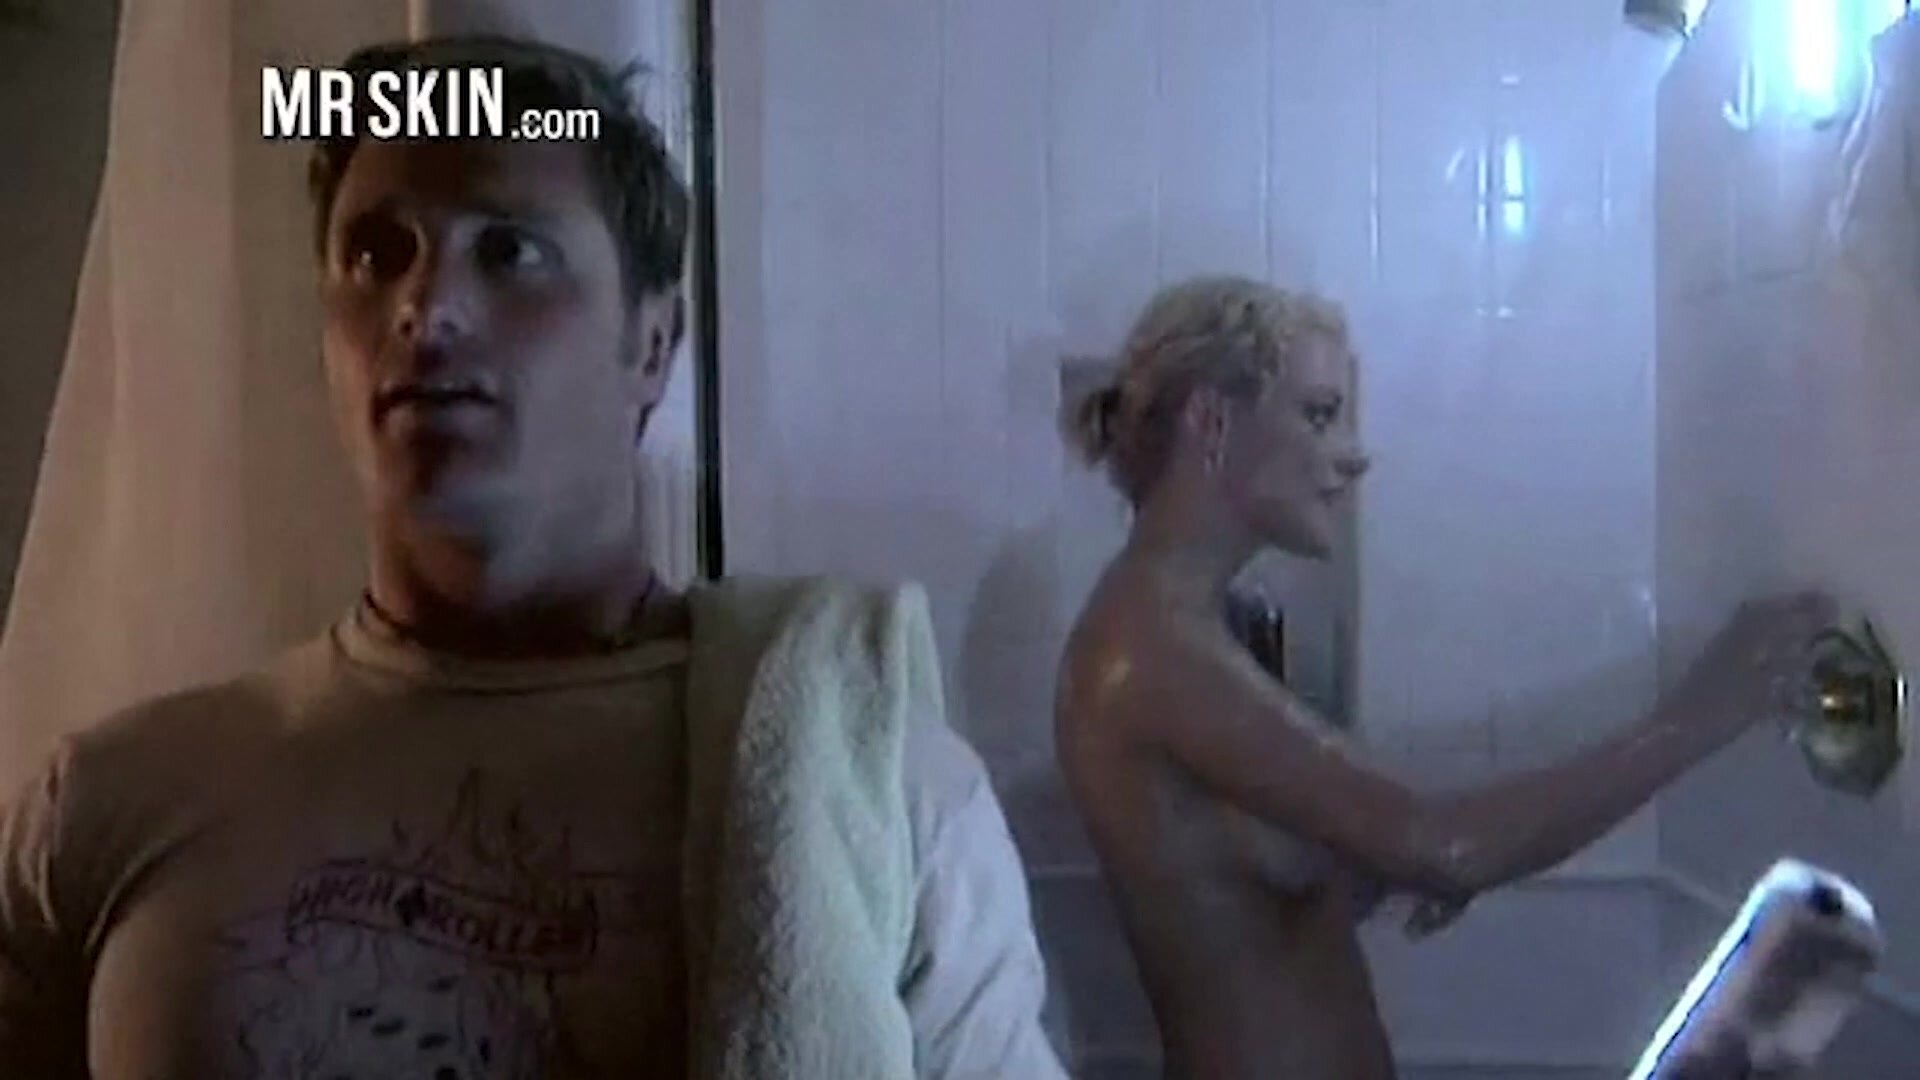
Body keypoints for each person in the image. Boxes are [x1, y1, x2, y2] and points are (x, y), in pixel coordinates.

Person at [0, 36, 1066, 1079]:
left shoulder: (875, 798)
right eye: (376, 254)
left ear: (652, 343)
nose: (425, 309)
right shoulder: (110, 806)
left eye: (510, 251)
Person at [1054, 275, 1838, 1080]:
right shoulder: (1153, 651)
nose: (1354, 454)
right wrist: (1704, 712)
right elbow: (1447, 846)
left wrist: (1391, 859)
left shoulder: (1193, 630)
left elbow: (1247, 891)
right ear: (1212, 422)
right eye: (1320, 414)